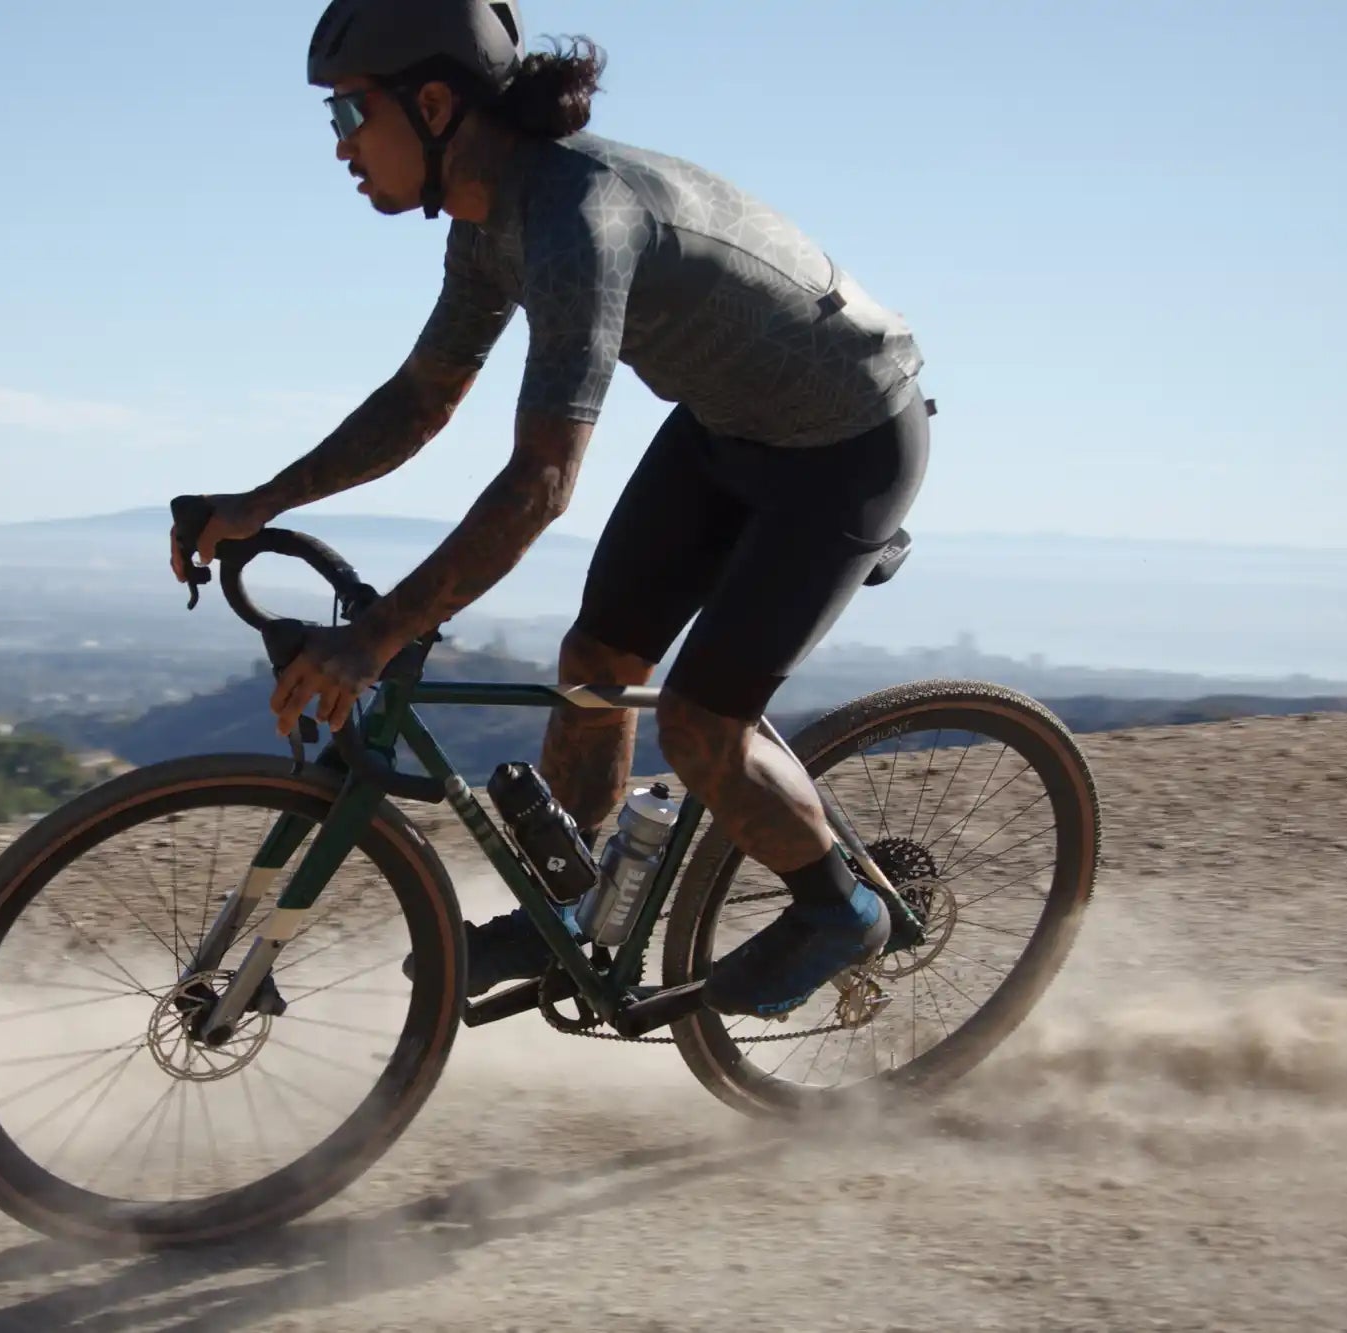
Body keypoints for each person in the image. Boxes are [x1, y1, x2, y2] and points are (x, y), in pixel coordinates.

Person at [169, 0, 930, 1019]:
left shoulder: (578, 222)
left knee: (703, 723)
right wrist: (256, 502)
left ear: (432, 104)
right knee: (594, 670)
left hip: (847, 440)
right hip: (726, 426)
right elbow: (422, 399)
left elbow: (540, 483)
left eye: (349, 115)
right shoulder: (492, 221)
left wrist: (381, 635)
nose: (341, 146)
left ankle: (839, 908)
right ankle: (568, 909)